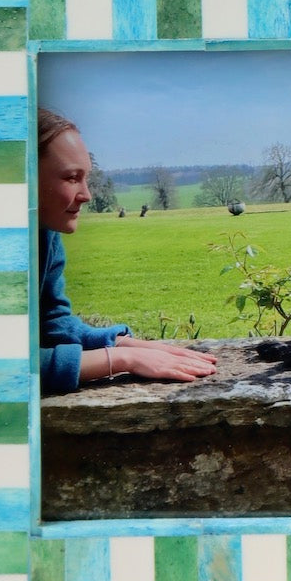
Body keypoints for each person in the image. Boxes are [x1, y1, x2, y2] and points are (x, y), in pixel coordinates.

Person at [37, 109, 217, 394]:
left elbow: (50, 324)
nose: (87, 194)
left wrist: (119, 341)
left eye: (86, 178)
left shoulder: (43, 232)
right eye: (72, 178)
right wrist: (121, 359)